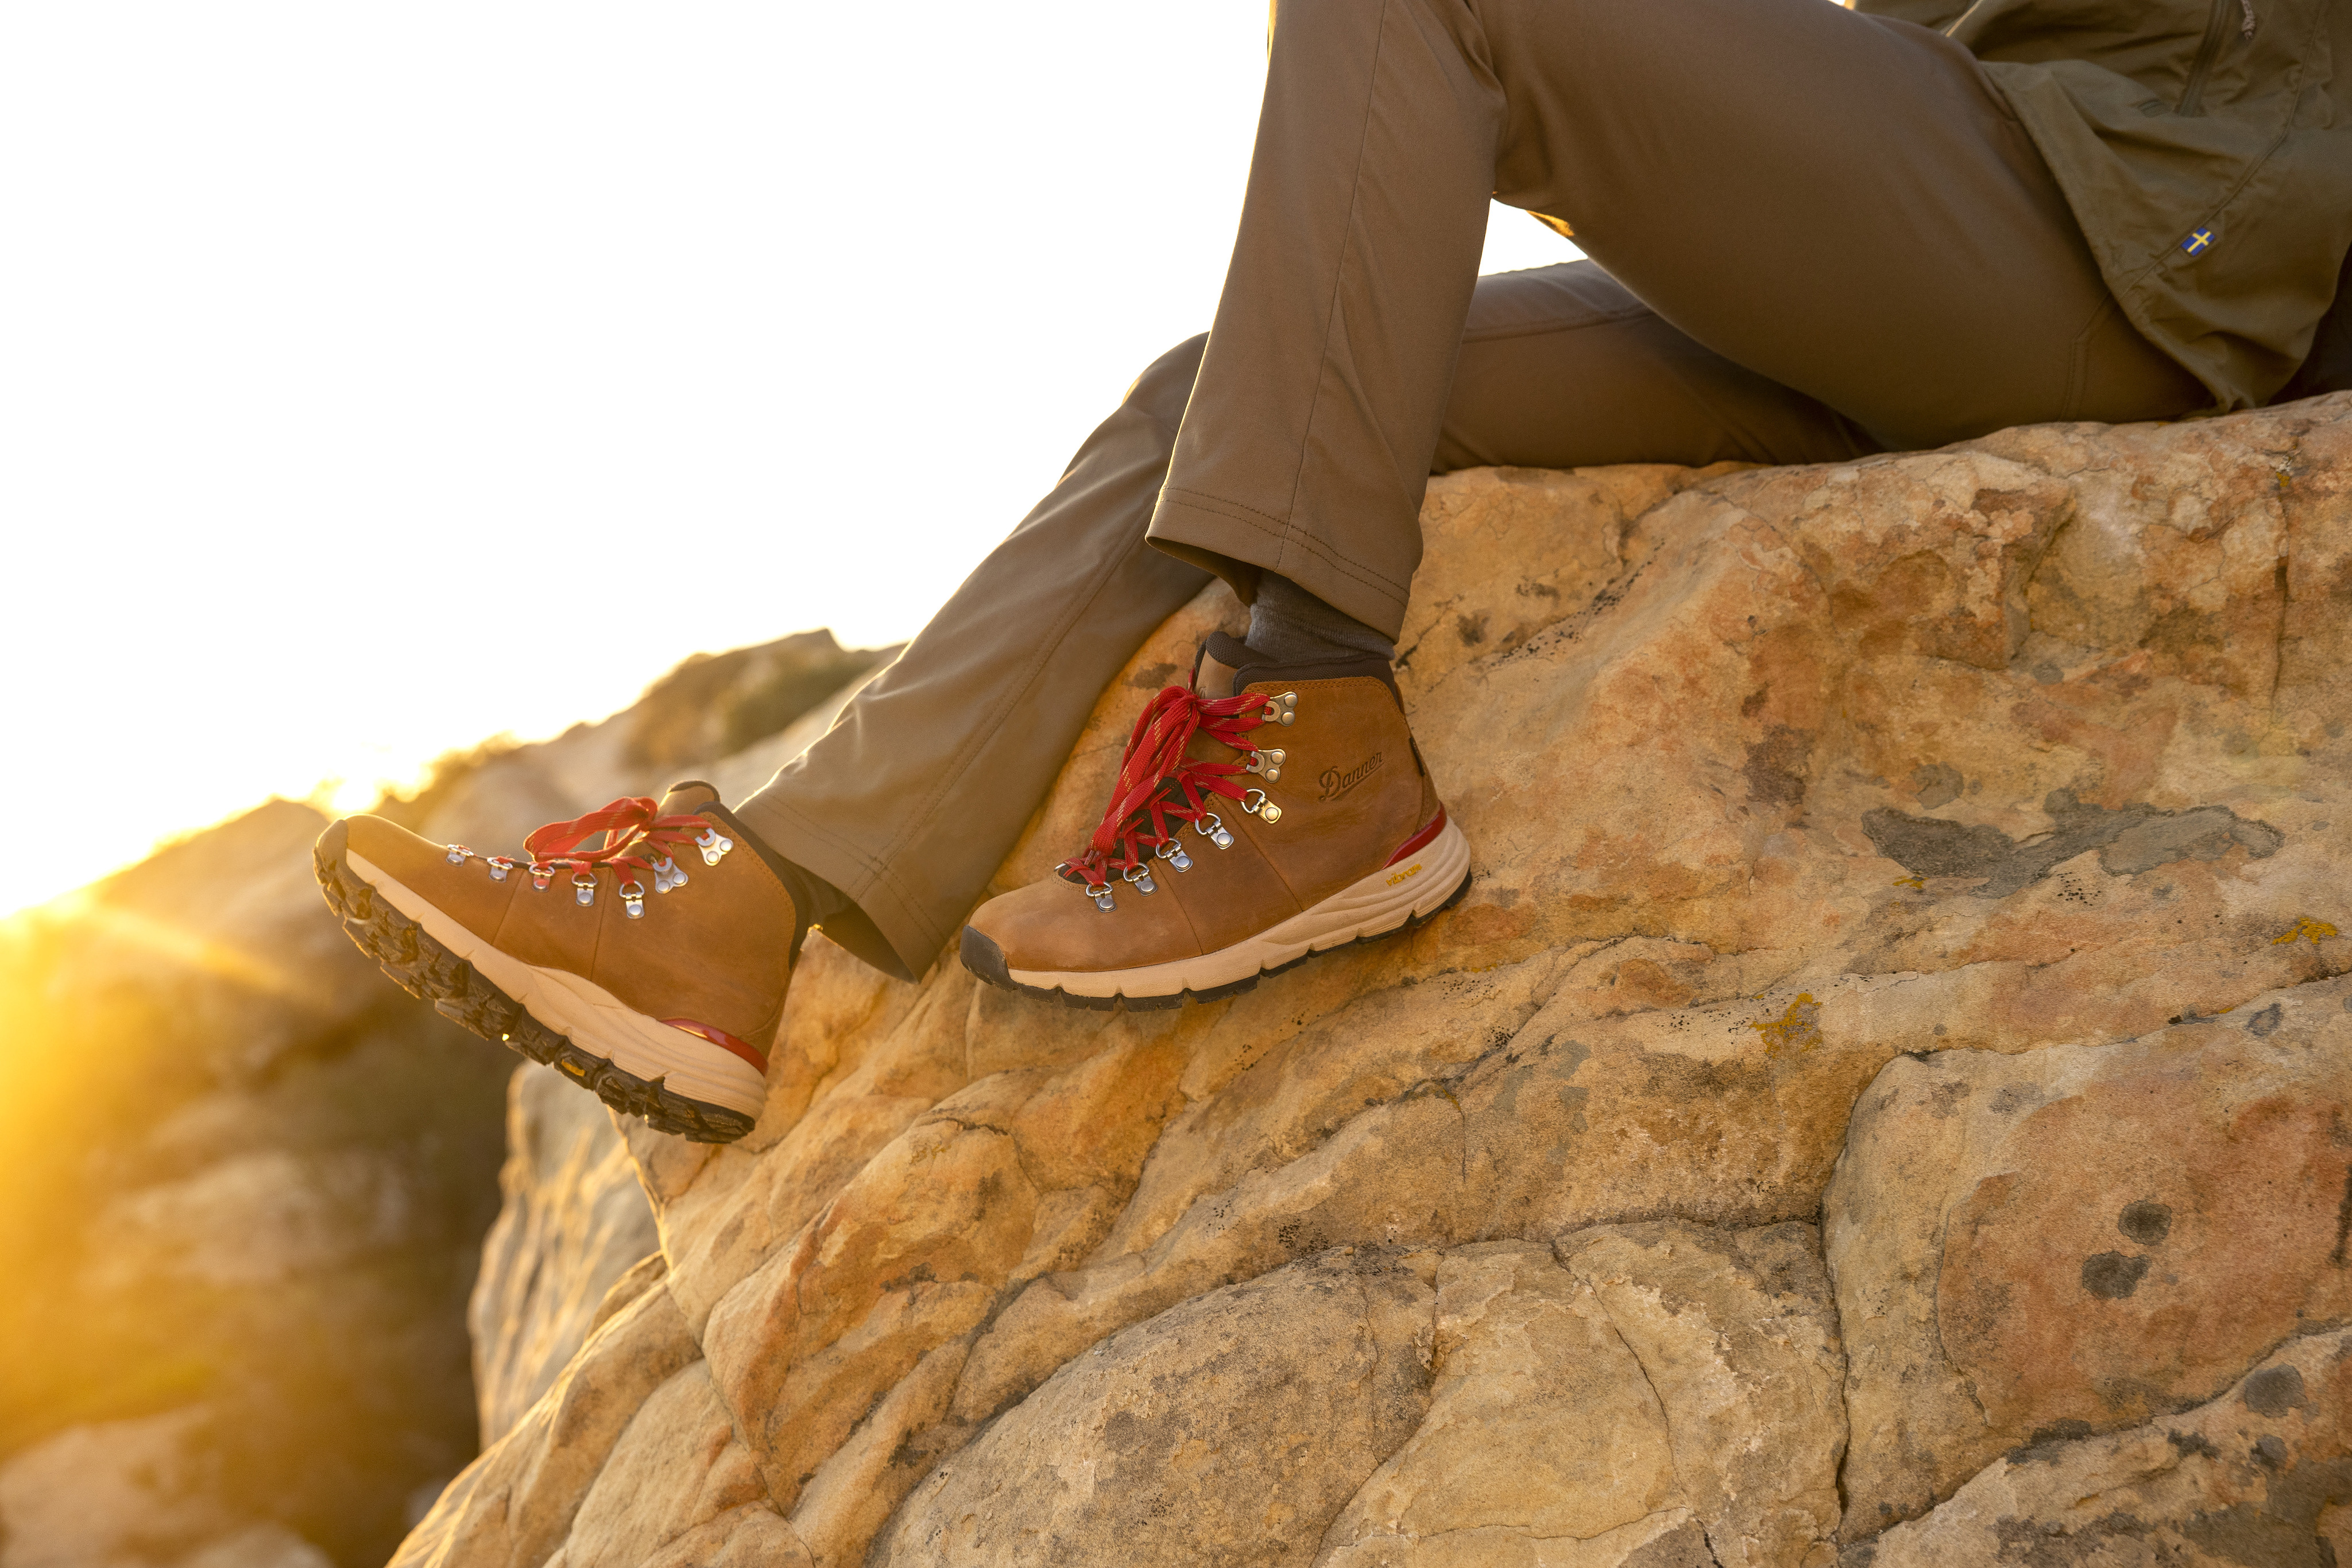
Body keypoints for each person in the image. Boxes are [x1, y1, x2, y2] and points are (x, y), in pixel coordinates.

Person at [315, 0, 2352, 1144]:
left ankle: (1318, 718)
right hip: (1967, 226)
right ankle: (750, 904)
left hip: (2149, 239)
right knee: (1243, 382)